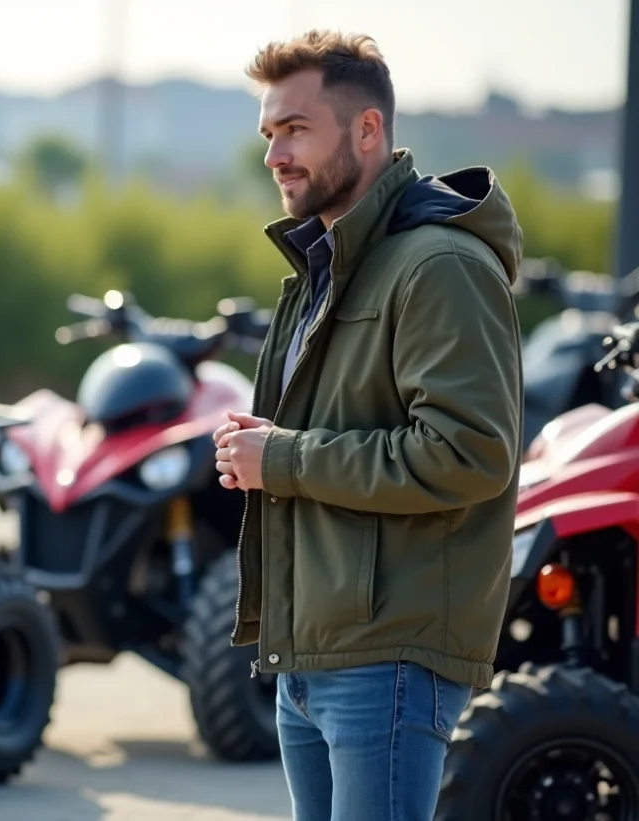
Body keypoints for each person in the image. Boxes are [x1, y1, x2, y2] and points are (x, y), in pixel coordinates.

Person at [213, 29, 524, 821]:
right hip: (313, 651)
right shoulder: (330, 266)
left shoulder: (437, 265)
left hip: (387, 655)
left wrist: (282, 457)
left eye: (296, 130)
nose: (275, 155)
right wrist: (270, 446)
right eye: (269, 133)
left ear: (368, 131)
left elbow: (467, 454)